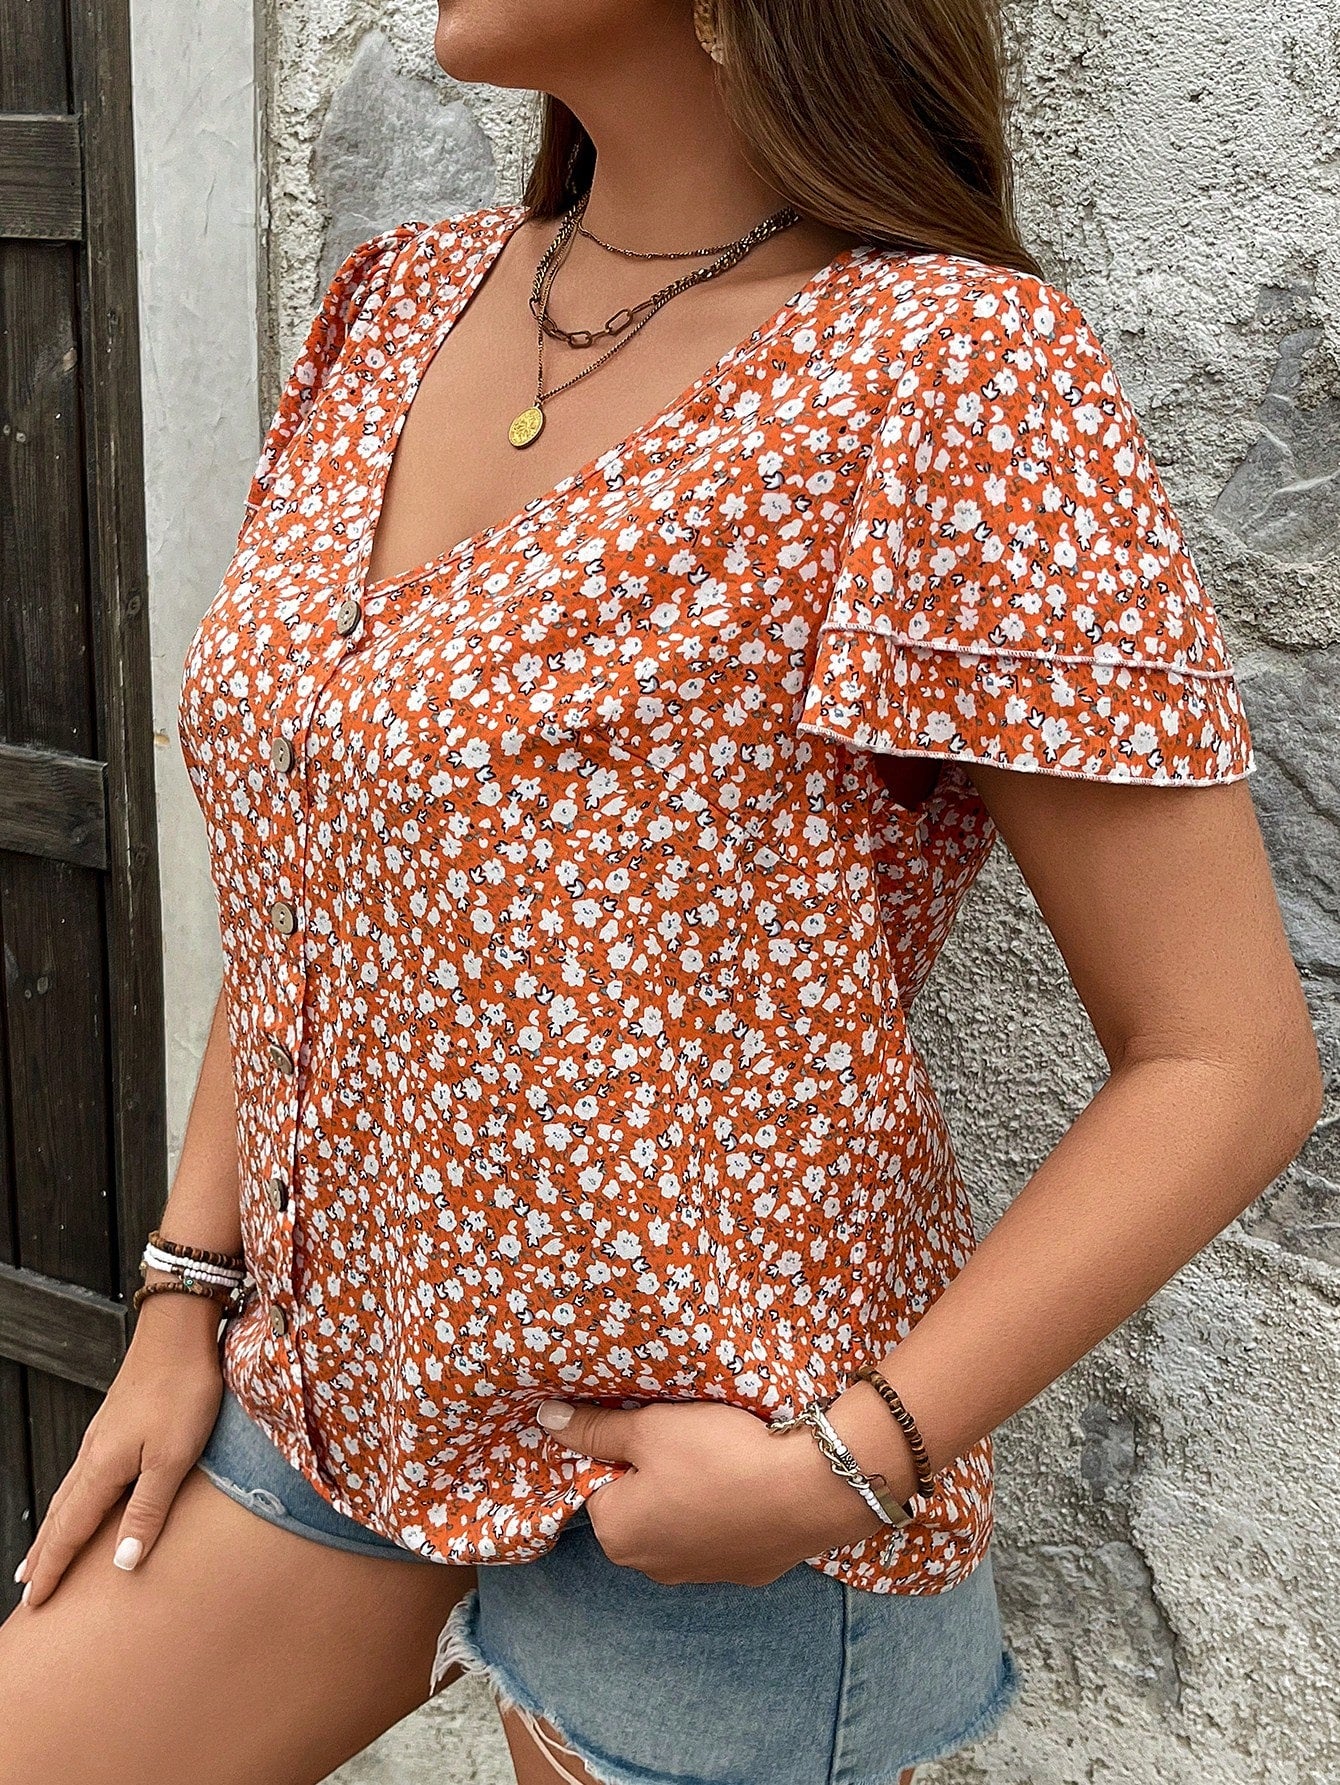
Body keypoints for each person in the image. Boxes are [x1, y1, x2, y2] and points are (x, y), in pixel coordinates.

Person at [0, 3, 1321, 1782]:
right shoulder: (399, 304)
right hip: (332, 1388)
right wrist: (185, 1292)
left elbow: (1228, 1059)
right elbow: (318, 864)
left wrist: (839, 1464)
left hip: (721, 1478)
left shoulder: (947, 371)